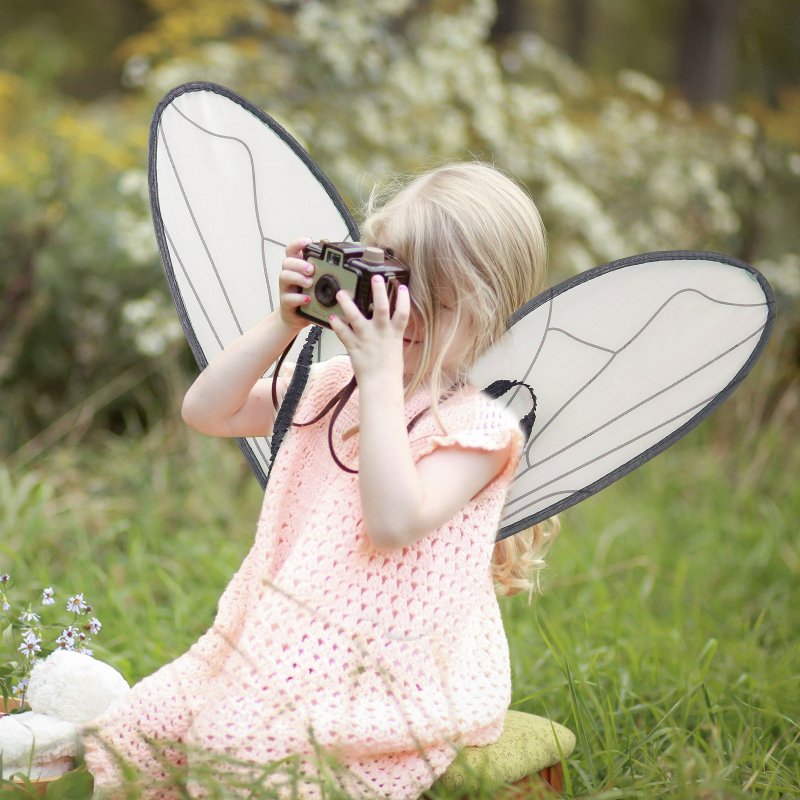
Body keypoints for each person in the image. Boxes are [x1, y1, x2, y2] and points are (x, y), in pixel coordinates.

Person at [82, 162, 557, 799]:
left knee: (236, 749)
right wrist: (286, 321)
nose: (403, 313)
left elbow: (394, 523)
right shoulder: (335, 387)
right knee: (143, 725)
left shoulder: (479, 428)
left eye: (435, 299)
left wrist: (384, 377)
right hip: (281, 643)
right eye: (392, 284)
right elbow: (207, 411)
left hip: (400, 672)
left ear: (490, 309)